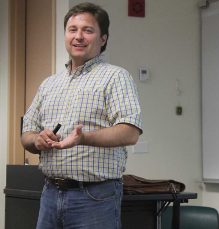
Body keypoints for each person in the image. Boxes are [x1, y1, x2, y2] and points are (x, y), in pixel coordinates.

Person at [21, 2, 142, 229]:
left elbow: (130, 131)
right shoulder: (49, 84)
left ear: (103, 38)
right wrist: (37, 140)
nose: (79, 36)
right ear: (65, 34)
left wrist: (84, 138)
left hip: (94, 197)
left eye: (88, 30)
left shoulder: (115, 77)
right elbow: (26, 133)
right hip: (50, 193)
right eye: (72, 29)